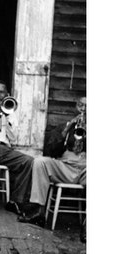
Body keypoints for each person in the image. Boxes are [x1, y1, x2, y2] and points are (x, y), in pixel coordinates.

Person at [19, 96, 87, 226]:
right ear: (76, 107)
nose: (84, 110)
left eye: (88, 107)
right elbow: (51, 150)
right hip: (65, 167)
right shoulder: (66, 126)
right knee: (40, 162)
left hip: (86, 169)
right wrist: (66, 131)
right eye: (81, 106)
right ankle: (38, 212)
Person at [0, 79, 34, 216]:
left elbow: (14, 138)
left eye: (1, 92)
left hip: (4, 148)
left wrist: (8, 117)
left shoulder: (9, 109)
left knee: (27, 161)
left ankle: (15, 201)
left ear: (6, 94)